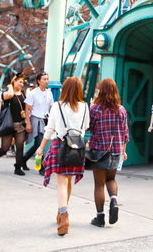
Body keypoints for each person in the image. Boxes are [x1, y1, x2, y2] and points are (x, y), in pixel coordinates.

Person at [35, 77, 89, 236]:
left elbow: (50, 128)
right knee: (68, 180)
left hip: (60, 145)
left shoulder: (57, 106)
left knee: (61, 183)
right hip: (77, 147)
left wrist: (41, 146)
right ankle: (62, 211)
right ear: (80, 89)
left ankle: (64, 215)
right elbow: (85, 128)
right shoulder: (85, 107)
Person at [87, 78, 129, 228]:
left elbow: (87, 127)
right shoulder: (121, 109)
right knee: (111, 180)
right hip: (116, 151)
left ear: (101, 91)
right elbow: (125, 133)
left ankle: (100, 218)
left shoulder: (95, 109)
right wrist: (123, 151)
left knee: (99, 184)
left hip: (99, 151)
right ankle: (114, 201)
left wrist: (91, 106)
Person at [0, 75, 31, 175]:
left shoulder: (23, 94)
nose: (22, 84)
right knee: (5, 148)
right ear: (14, 81)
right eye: (20, 82)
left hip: (20, 124)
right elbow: (10, 95)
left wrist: (28, 122)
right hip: (9, 124)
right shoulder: (6, 93)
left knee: (20, 146)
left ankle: (18, 167)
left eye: (23, 83)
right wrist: (10, 86)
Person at [23, 72, 54, 168]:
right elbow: (27, 108)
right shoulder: (33, 93)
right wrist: (28, 123)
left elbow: (51, 106)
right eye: (44, 79)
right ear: (39, 81)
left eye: (47, 79)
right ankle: (42, 167)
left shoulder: (49, 92)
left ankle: (22, 160)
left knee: (38, 143)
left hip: (46, 118)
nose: (46, 81)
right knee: (40, 142)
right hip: (36, 119)